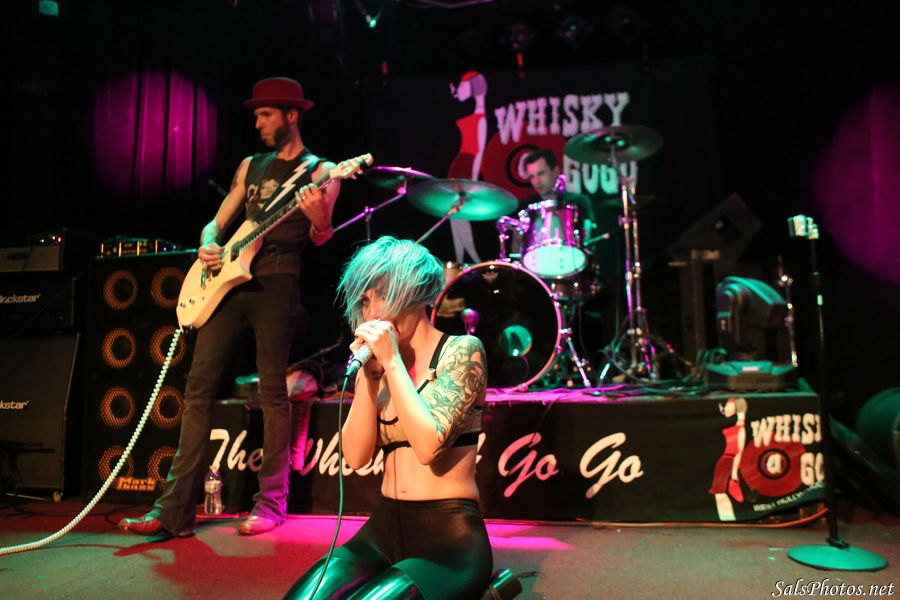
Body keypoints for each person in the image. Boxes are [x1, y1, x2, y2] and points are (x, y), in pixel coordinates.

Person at [119, 76, 340, 537]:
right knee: (198, 388)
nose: (258, 123)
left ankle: (271, 505)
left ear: (292, 115)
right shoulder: (249, 166)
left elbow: (321, 236)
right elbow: (214, 224)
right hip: (228, 283)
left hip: (278, 280)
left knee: (273, 393)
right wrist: (208, 245)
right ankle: (174, 511)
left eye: (266, 114)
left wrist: (319, 217)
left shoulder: (322, 171)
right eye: (256, 115)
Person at [284, 236, 492, 599]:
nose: (371, 313)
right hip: (382, 530)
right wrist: (369, 377)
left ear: (418, 293)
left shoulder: (462, 351)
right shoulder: (379, 366)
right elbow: (355, 456)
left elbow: (429, 447)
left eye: (382, 294)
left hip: (448, 542)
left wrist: (393, 362)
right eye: (365, 300)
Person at [522, 147, 596, 239]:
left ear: (555, 171)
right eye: (532, 176)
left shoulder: (579, 202)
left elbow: (589, 238)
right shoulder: (527, 207)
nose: (537, 181)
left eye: (541, 173)